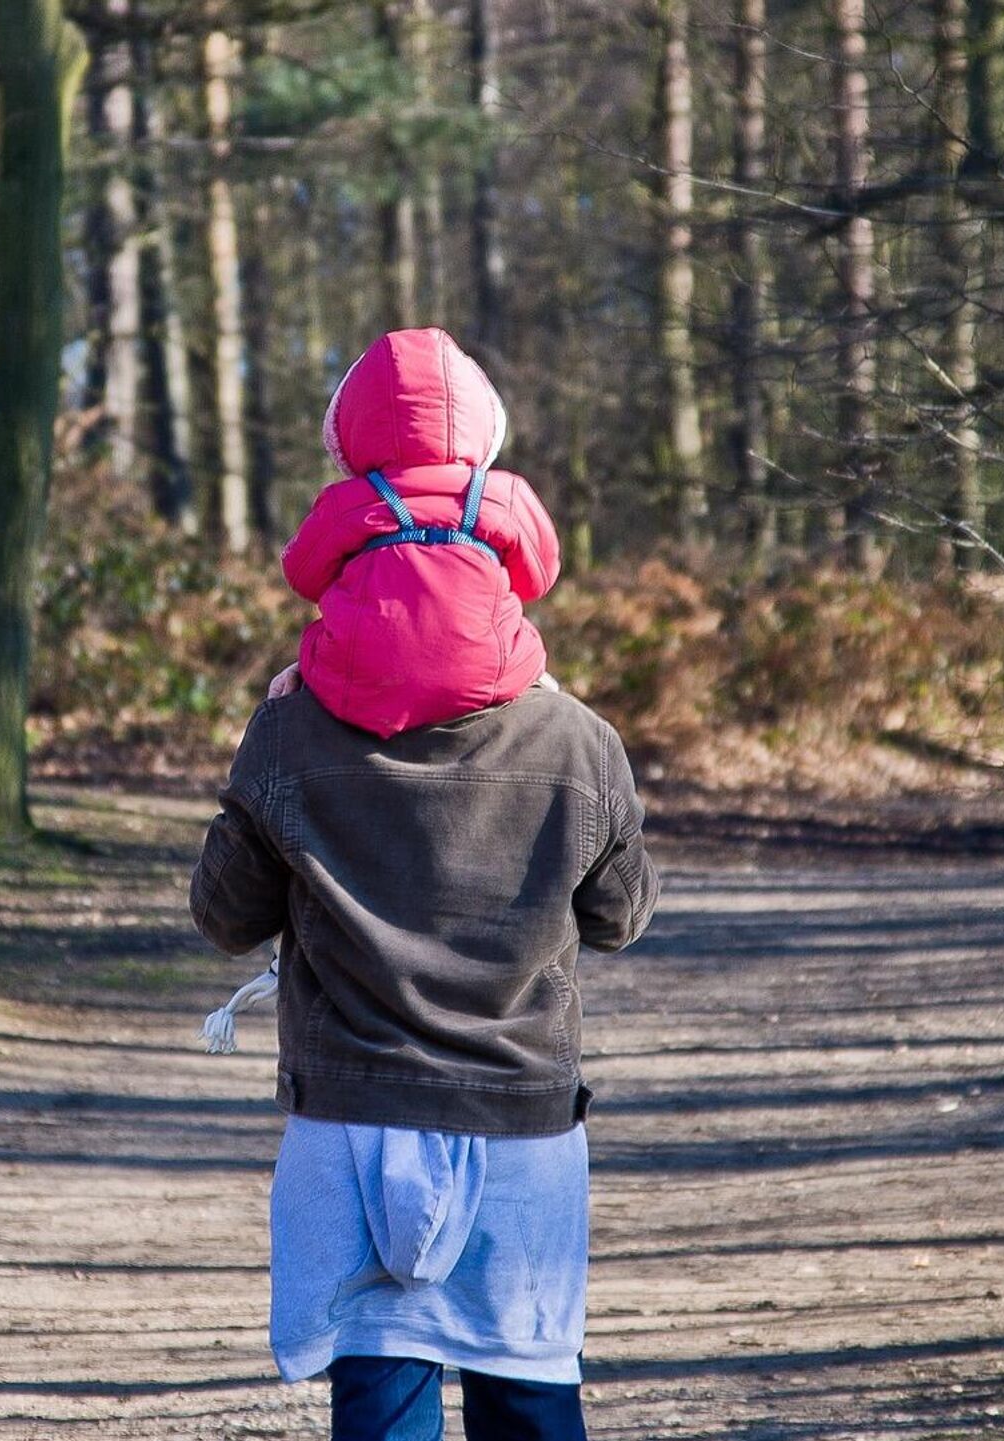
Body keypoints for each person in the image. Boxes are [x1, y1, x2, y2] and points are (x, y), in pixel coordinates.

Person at [189, 680, 659, 1437]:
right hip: (519, 1132)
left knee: (380, 1393)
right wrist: (581, 750)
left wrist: (270, 747)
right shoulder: (576, 738)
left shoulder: (290, 730)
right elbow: (621, 915)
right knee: (529, 1399)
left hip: (350, 1126)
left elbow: (225, 914)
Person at [277, 327, 561, 736]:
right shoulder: (503, 496)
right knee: (524, 649)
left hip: (365, 681)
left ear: (349, 424)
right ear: (483, 418)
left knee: (314, 656)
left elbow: (301, 575)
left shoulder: (346, 504)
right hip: (486, 672)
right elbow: (540, 578)